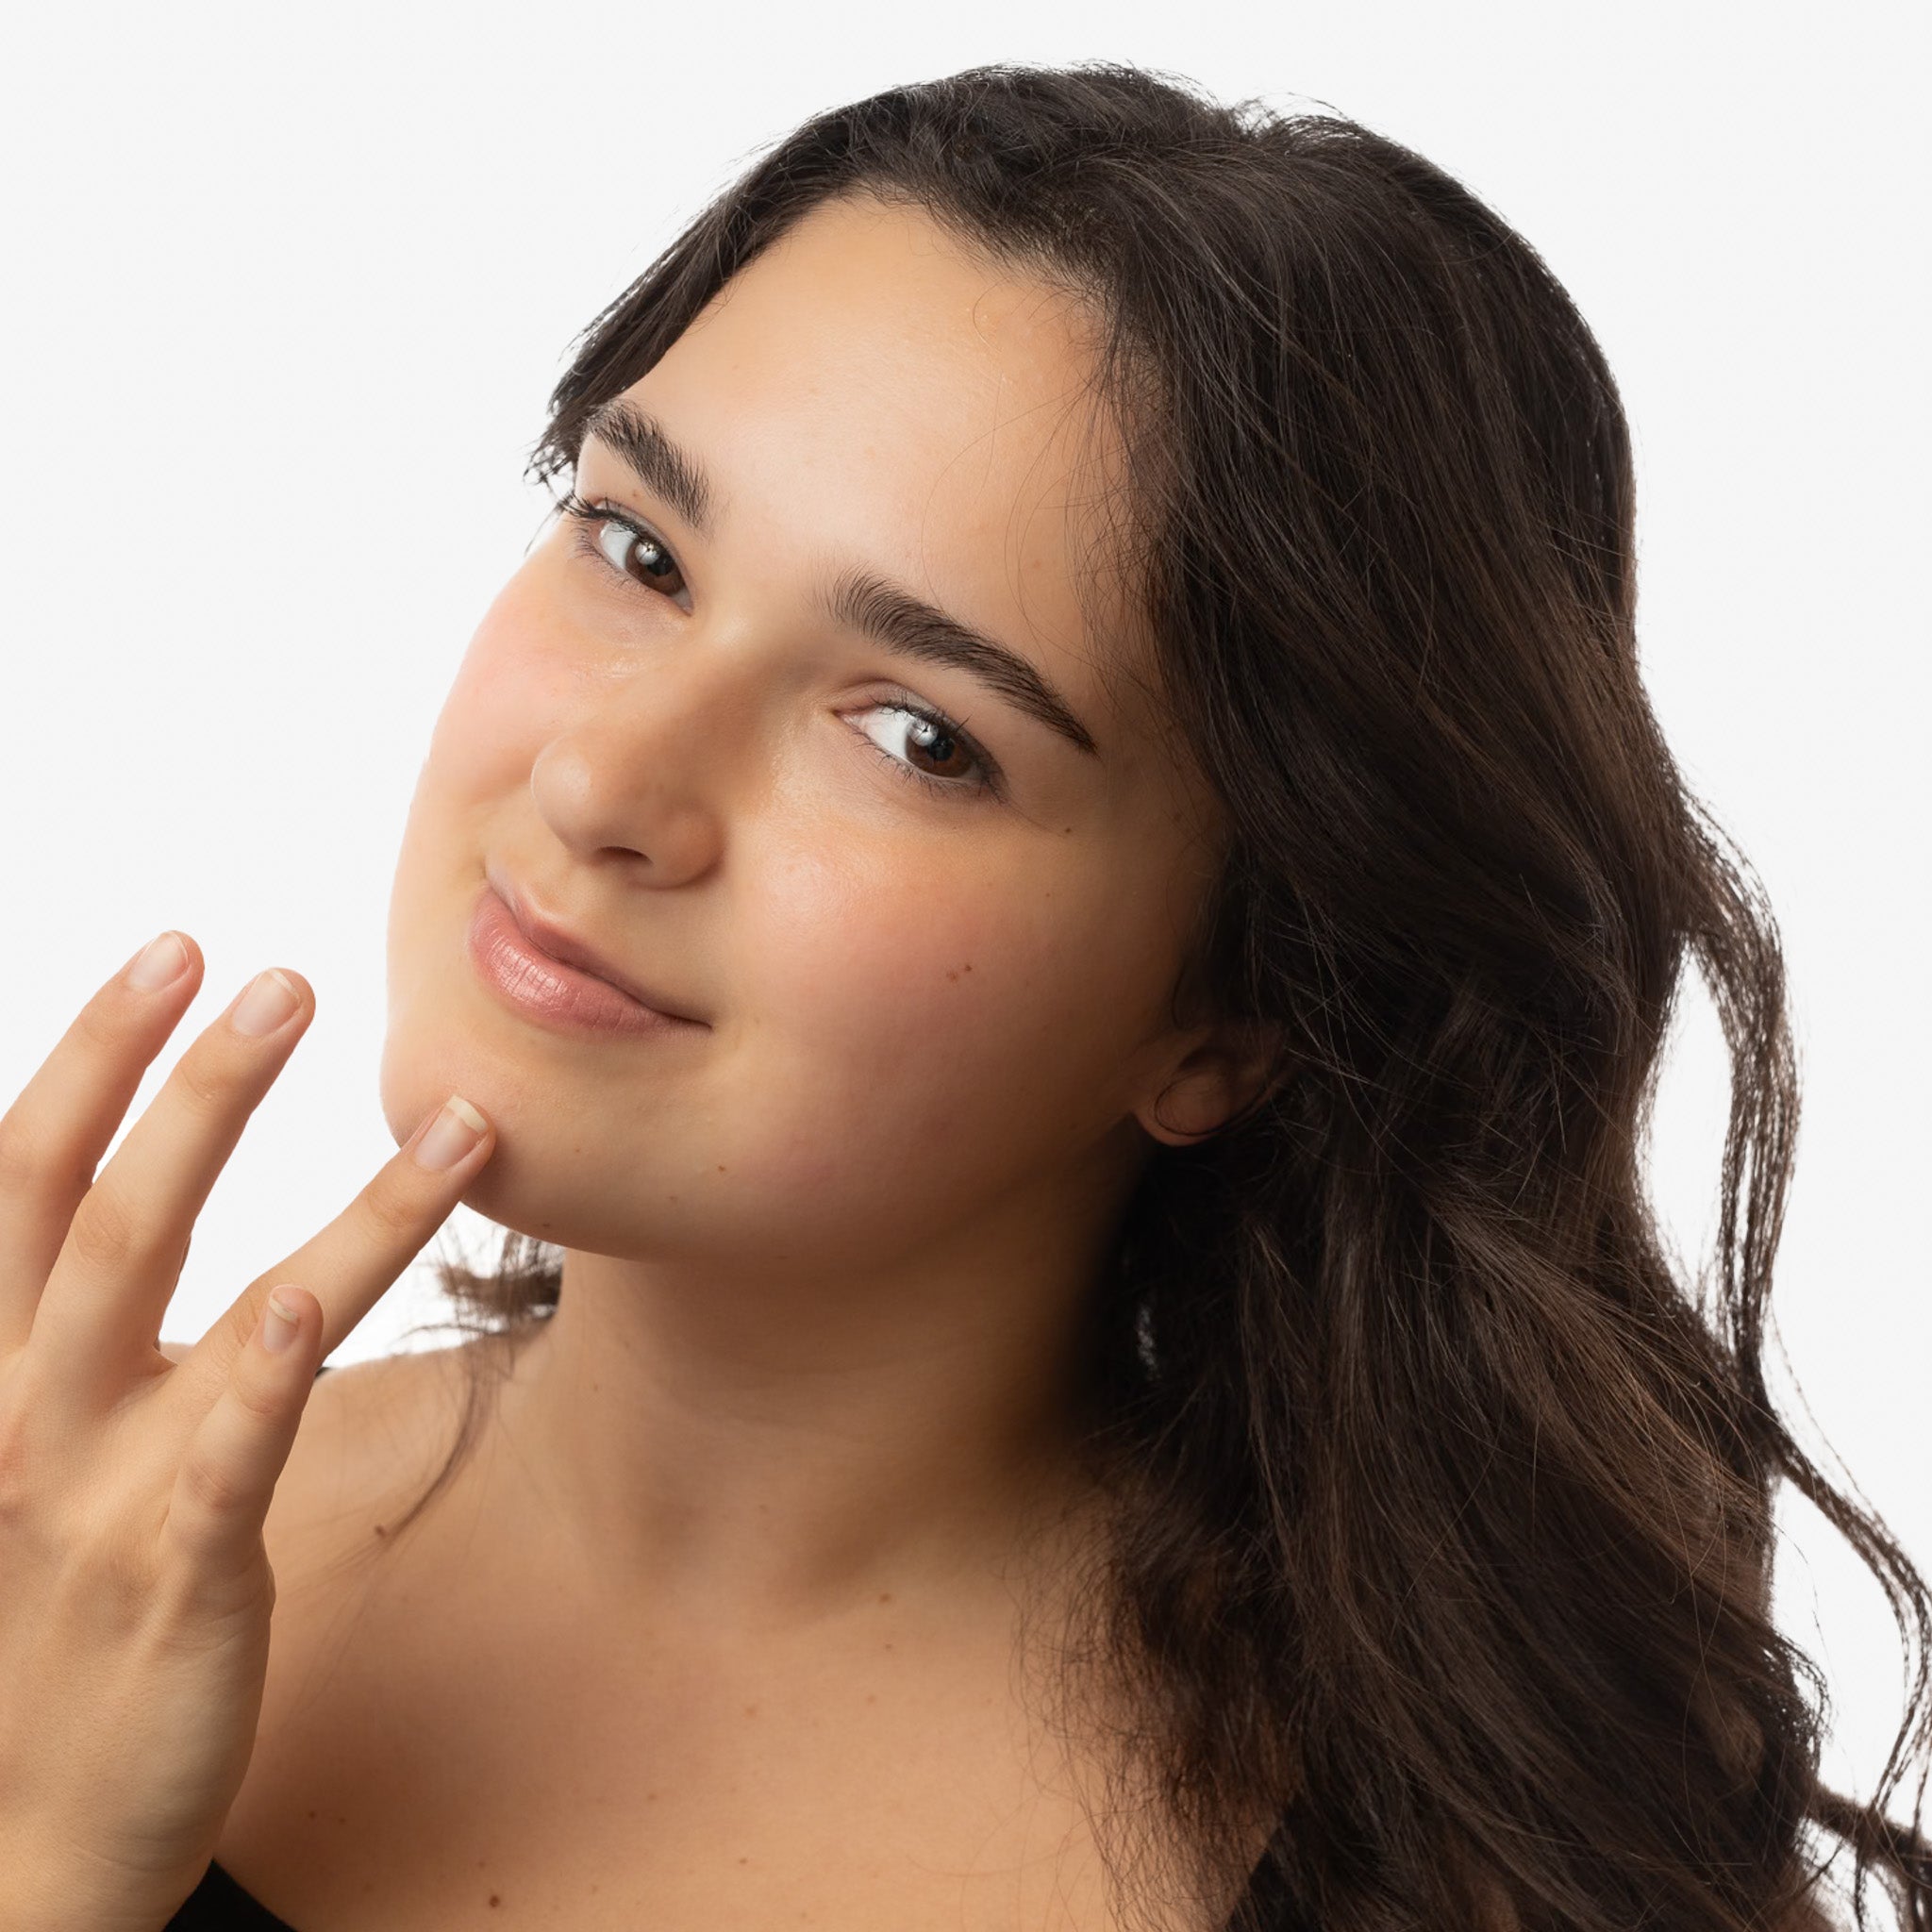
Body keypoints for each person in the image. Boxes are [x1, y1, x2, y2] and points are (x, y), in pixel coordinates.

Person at [2, 58, 1924, 1932]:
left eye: (921, 734)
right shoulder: (40, 1575)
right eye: (635, 546)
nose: (600, 785)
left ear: (1232, 1015)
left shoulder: (1504, 1856)